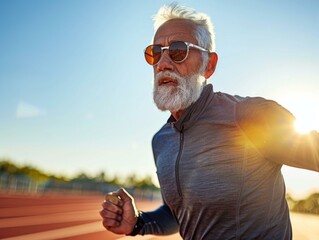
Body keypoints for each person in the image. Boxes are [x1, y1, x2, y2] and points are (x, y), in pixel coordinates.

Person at [100, 3, 319, 239]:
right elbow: (179, 214)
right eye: (154, 52)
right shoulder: (161, 141)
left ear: (209, 65)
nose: (162, 63)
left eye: (177, 50)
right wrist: (139, 223)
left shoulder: (250, 115)